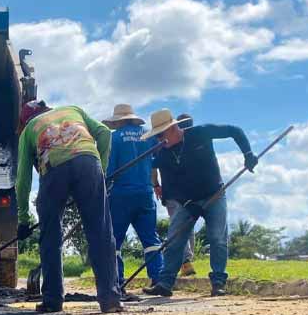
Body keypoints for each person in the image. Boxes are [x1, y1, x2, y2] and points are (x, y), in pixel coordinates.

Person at [16, 100, 120, 313]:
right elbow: (105, 133)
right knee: (100, 232)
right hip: (89, 162)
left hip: (53, 168)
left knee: (50, 235)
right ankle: (110, 299)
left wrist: (24, 219)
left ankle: (53, 300)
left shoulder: (28, 131)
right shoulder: (73, 110)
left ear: (25, 119)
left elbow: (23, 179)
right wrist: (102, 171)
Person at [141, 108, 257, 297]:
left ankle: (218, 282)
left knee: (218, 238)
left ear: (173, 128)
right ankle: (165, 283)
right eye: (157, 135)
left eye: (161, 134)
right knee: (174, 240)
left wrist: (248, 153)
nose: (159, 139)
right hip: (186, 201)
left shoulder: (201, 133)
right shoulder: (162, 155)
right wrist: (188, 204)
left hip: (214, 194)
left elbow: (234, 130)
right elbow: (171, 189)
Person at [102, 103, 162, 301]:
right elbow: (156, 162)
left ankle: (117, 283)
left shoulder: (114, 137)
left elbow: (110, 170)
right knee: (151, 239)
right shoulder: (148, 135)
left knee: (116, 241)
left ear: (118, 121)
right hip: (145, 193)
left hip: (120, 195)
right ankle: (158, 279)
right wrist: (156, 184)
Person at [154, 113, 196, 278]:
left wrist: (156, 184)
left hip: (172, 192)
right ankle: (187, 260)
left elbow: (153, 166)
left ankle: (185, 261)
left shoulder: (164, 143)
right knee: (187, 226)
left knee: (179, 225)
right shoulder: (192, 142)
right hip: (189, 191)